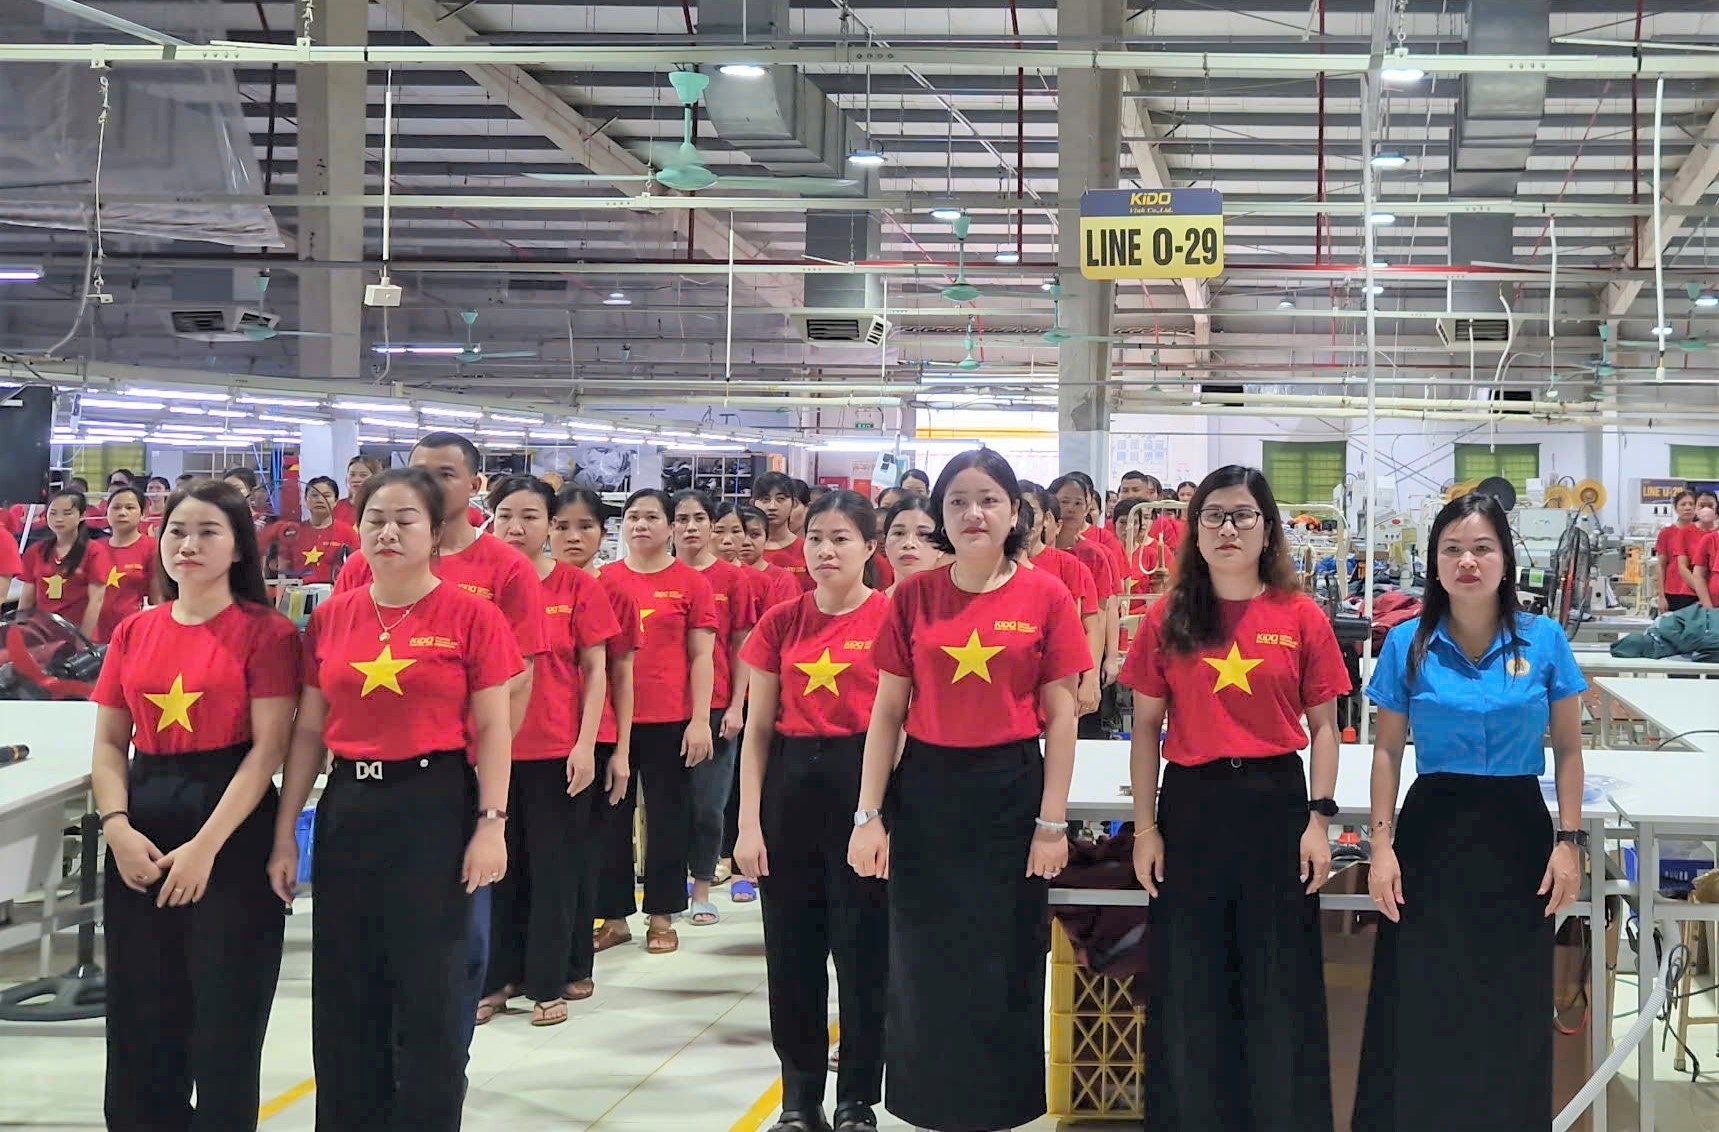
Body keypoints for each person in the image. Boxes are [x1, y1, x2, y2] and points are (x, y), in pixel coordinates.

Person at [848, 449, 1090, 1132]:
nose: (972, 513)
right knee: (923, 958)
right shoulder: (913, 597)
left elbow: (1063, 716)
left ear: (1014, 513)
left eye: (988, 500)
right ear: (939, 515)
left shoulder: (1046, 596)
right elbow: (887, 711)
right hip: (927, 791)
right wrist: (868, 814)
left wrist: (1051, 823)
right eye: (957, 501)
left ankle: (1000, 1107)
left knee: (1004, 958)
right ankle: (927, 1105)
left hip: (1010, 791)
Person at [269, 467, 518, 1130]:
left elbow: (495, 728)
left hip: (435, 806)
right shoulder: (332, 616)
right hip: (351, 806)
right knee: (346, 986)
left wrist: (492, 823)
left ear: (435, 533)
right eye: (375, 519)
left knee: (433, 988)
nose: (388, 532)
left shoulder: (472, 616)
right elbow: (310, 730)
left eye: (406, 519)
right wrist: (286, 830)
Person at [1122, 465, 1349, 1131]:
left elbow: (1326, 727)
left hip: (1276, 806)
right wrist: (1144, 828)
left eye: (1243, 515)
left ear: (1267, 529)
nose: (1228, 528)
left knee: (1279, 982)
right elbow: (1144, 728)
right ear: (1194, 531)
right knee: (1190, 983)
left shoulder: (1300, 615)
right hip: (1192, 808)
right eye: (1213, 515)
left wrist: (1319, 819)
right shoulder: (1167, 617)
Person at [1356, 492, 1587, 1131]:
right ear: (1433, 562)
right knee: (1424, 995)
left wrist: (1568, 841)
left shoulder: (1544, 640)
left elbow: (1569, 750)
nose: (1467, 561)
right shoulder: (1407, 642)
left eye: (1482, 548)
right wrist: (1381, 847)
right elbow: (1386, 753)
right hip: (1433, 831)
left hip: (1518, 834)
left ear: (1505, 559)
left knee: (1511, 996)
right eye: (1452, 549)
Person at [91, 480, 300, 1132]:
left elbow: (268, 750)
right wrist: (117, 827)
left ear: (238, 547)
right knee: (141, 1007)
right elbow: (108, 743)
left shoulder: (267, 632)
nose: (188, 544)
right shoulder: (134, 630)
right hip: (143, 822)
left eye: (208, 531)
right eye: (177, 531)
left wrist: (205, 848)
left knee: (226, 1010)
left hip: (230, 825)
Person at [333, 432, 547, 1046]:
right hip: (370, 782)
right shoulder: (361, 567)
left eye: (445, 474)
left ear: (474, 485)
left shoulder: (504, 568)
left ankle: (474, 1003)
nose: (429, 483)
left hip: (459, 770)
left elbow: (518, 680)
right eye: (420, 470)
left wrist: (481, 776)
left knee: (451, 934)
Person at [736, 490, 890, 1132]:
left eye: (842, 538)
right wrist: (748, 823)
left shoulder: (891, 617)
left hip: (863, 787)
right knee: (792, 954)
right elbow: (757, 731)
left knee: (863, 953)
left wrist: (878, 815)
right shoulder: (781, 621)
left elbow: (900, 725)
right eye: (816, 538)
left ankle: (857, 1097)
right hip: (791, 787)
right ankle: (800, 1098)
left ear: (870, 547)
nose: (826, 550)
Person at [481, 477, 618, 1027]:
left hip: (556, 748)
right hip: (489, 752)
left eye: (531, 517)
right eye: (505, 516)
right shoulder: (479, 586)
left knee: (555, 869)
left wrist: (586, 744)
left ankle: (549, 979)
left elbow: (595, 671)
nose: (516, 528)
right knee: (496, 871)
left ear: (548, 526)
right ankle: (496, 979)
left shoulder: (576, 586)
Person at [596, 488, 718, 954]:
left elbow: (702, 656)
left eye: (651, 517)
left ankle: (663, 915)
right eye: (632, 517)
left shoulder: (691, 583)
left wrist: (700, 719)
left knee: (669, 817)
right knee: (611, 817)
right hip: (613, 720)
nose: (640, 525)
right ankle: (613, 916)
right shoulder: (603, 579)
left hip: (671, 718)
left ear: (670, 527)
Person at [549, 487, 639, 995]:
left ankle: (576, 956)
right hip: (533, 742)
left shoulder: (614, 593)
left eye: (585, 526)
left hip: (594, 738)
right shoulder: (524, 584)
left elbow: (621, 676)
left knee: (582, 852)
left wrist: (621, 751)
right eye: (562, 525)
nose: (572, 536)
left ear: (603, 534)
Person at [672, 489, 760, 925]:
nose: (690, 527)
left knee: (709, 803)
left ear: (711, 525)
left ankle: (702, 885)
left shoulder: (732, 579)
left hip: (716, 704)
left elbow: (742, 644)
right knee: (671, 807)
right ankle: (668, 890)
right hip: (665, 708)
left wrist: (737, 705)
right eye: (681, 519)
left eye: (699, 519)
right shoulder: (658, 575)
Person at [1022, 490, 1103, 718]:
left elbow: (1090, 627)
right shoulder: (994, 569)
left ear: (1046, 518)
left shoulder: (1069, 566)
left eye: (1030, 511)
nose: (1023, 520)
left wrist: (1090, 678)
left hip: (1060, 678)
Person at [17, 488, 107, 640]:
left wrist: (83, 640)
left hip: (77, 633)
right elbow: (26, 599)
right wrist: (19, 631)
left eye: (67, 513)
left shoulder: (95, 551)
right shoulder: (36, 551)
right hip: (41, 634)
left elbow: (96, 601)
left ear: (82, 515)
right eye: (53, 513)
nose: (59, 519)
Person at [95, 485, 164, 644]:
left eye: (130, 508)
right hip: (95, 635)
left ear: (142, 514)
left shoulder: (152, 548)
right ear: (107, 513)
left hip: (134, 634)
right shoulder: (94, 548)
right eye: (116, 507)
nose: (122, 513)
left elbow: (157, 599)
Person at [726, 501, 802, 614]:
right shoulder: (721, 576)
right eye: (738, 533)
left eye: (755, 534)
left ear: (766, 538)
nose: (746, 542)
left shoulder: (783, 580)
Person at [283, 476, 361, 585]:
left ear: (336, 501)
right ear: (305, 499)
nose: (320, 500)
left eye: (326, 495)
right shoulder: (293, 533)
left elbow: (358, 569)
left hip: (336, 591)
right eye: (314, 495)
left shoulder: (348, 533)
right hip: (297, 591)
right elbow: (283, 571)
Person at [755, 471, 813, 591]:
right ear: (753, 503)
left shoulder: (808, 549)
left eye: (780, 499)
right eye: (765, 499)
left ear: (793, 503)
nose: (772, 507)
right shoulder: (744, 549)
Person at [878, 494, 942, 594]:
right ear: (885, 542)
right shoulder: (873, 603)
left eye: (923, 534)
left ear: (941, 547)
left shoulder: (954, 603)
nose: (909, 543)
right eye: (899, 533)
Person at [1656, 489, 1701, 612]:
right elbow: (1661, 566)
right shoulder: (1666, 533)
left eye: (1691, 504)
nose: (1688, 508)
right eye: (1683, 504)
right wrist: (1661, 596)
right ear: (1676, 508)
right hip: (1673, 591)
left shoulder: (1702, 532)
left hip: (1697, 591)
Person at [1685, 490, 1718, 608]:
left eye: (1710, 505)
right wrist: (1708, 608)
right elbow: (1698, 575)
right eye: (1702, 506)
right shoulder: (1710, 540)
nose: (1706, 509)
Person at [334, 456, 384, 527]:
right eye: (352, 475)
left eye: (363, 475)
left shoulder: (382, 507)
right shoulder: (336, 507)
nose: (356, 479)